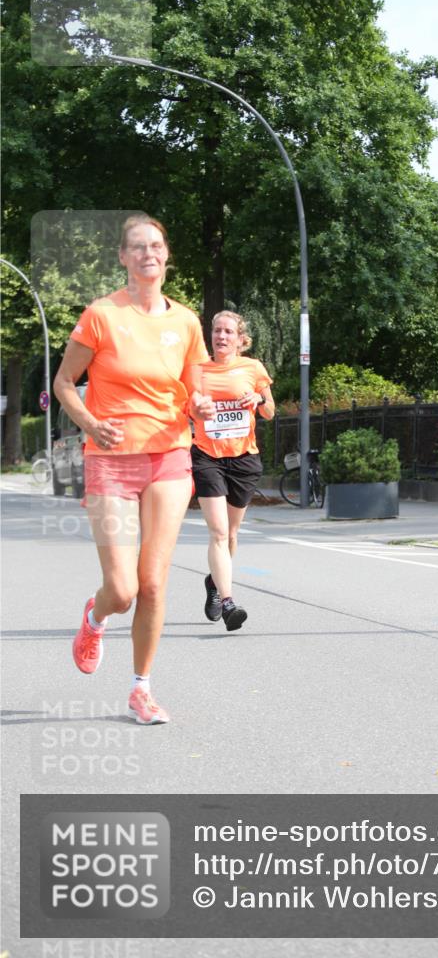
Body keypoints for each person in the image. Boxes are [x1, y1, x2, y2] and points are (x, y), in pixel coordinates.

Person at [53, 214, 215, 725]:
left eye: (157, 246)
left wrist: (203, 407)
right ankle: (95, 617)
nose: (149, 253)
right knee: (122, 589)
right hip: (111, 462)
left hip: (169, 457)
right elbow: (63, 383)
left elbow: (195, 390)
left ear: (167, 256)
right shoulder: (101, 315)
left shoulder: (186, 322)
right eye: (138, 247)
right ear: (123, 257)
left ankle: (141, 689)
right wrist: (90, 423)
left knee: (152, 583)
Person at [190, 310, 275, 629]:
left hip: (243, 458)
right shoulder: (196, 370)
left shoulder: (253, 368)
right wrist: (199, 407)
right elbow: (188, 407)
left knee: (233, 534)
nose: (221, 337)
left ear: (240, 339)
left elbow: (269, 411)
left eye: (228, 332)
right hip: (207, 455)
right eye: (216, 331)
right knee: (219, 531)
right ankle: (228, 602)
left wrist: (256, 399)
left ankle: (214, 583)